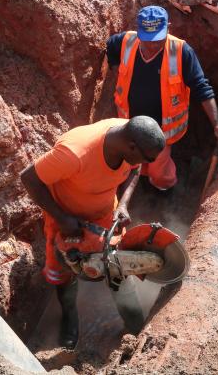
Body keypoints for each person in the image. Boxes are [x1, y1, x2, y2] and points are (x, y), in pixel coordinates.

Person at [20, 116, 166, 349]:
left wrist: (123, 205)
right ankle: (70, 318)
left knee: (118, 267)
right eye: (148, 158)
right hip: (65, 219)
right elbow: (28, 179)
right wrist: (62, 218)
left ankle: (135, 323)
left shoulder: (131, 137)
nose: (148, 163)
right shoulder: (74, 152)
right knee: (64, 270)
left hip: (105, 213)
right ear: (131, 147)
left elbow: (135, 170)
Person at [106, 5, 218, 191]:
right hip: (129, 125)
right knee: (129, 163)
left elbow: (201, 87)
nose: (152, 46)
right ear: (138, 31)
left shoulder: (181, 52)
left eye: (157, 40)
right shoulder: (124, 42)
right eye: (147, 40)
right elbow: (110, 46)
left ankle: (162, 190)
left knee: (159, 171)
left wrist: (217, 122)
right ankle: (137, 184)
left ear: (168, 28)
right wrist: (115, 66)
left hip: (162, 131)